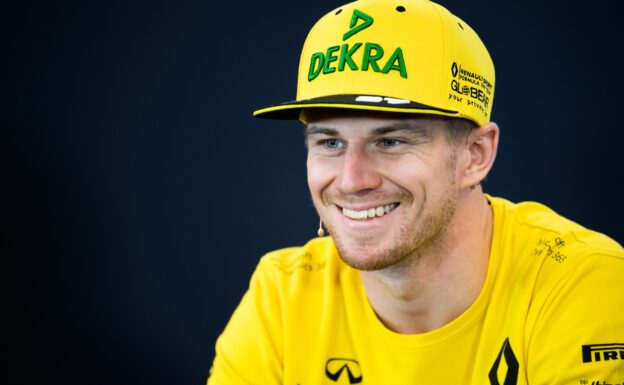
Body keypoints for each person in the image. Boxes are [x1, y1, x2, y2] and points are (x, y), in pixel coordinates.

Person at [207, 0, 624, 383]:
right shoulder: (283, 295)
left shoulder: (582, 284)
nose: (352, 180)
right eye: (330, 142)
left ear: (475, 155)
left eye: (391, 141)